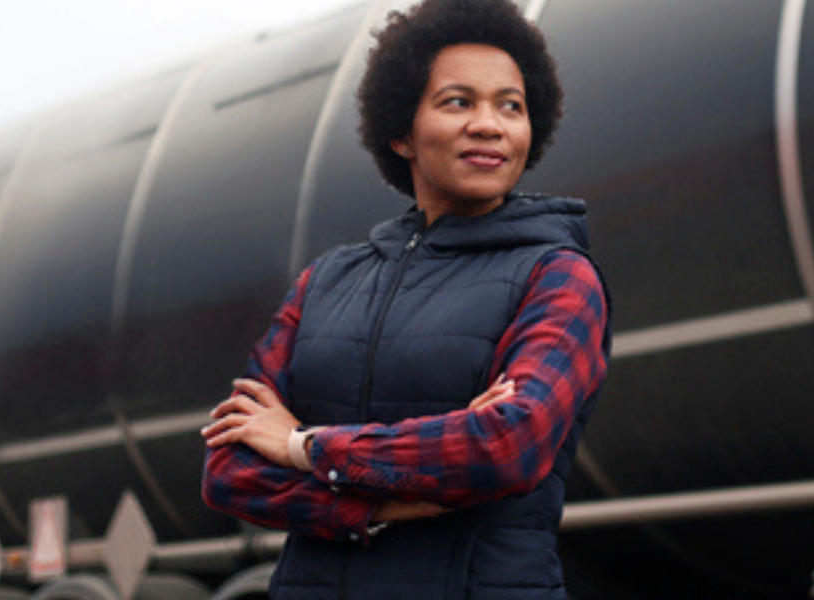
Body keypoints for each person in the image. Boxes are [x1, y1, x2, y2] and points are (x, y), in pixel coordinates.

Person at [198, 0, 608, 598]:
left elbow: (504, 446)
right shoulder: (325, 283)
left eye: (510, 106)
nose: (490, 125)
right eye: (458, 102)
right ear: (400, 131)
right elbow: (229, 472)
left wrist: (302, 445)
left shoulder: (558, 277)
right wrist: (387, 508)